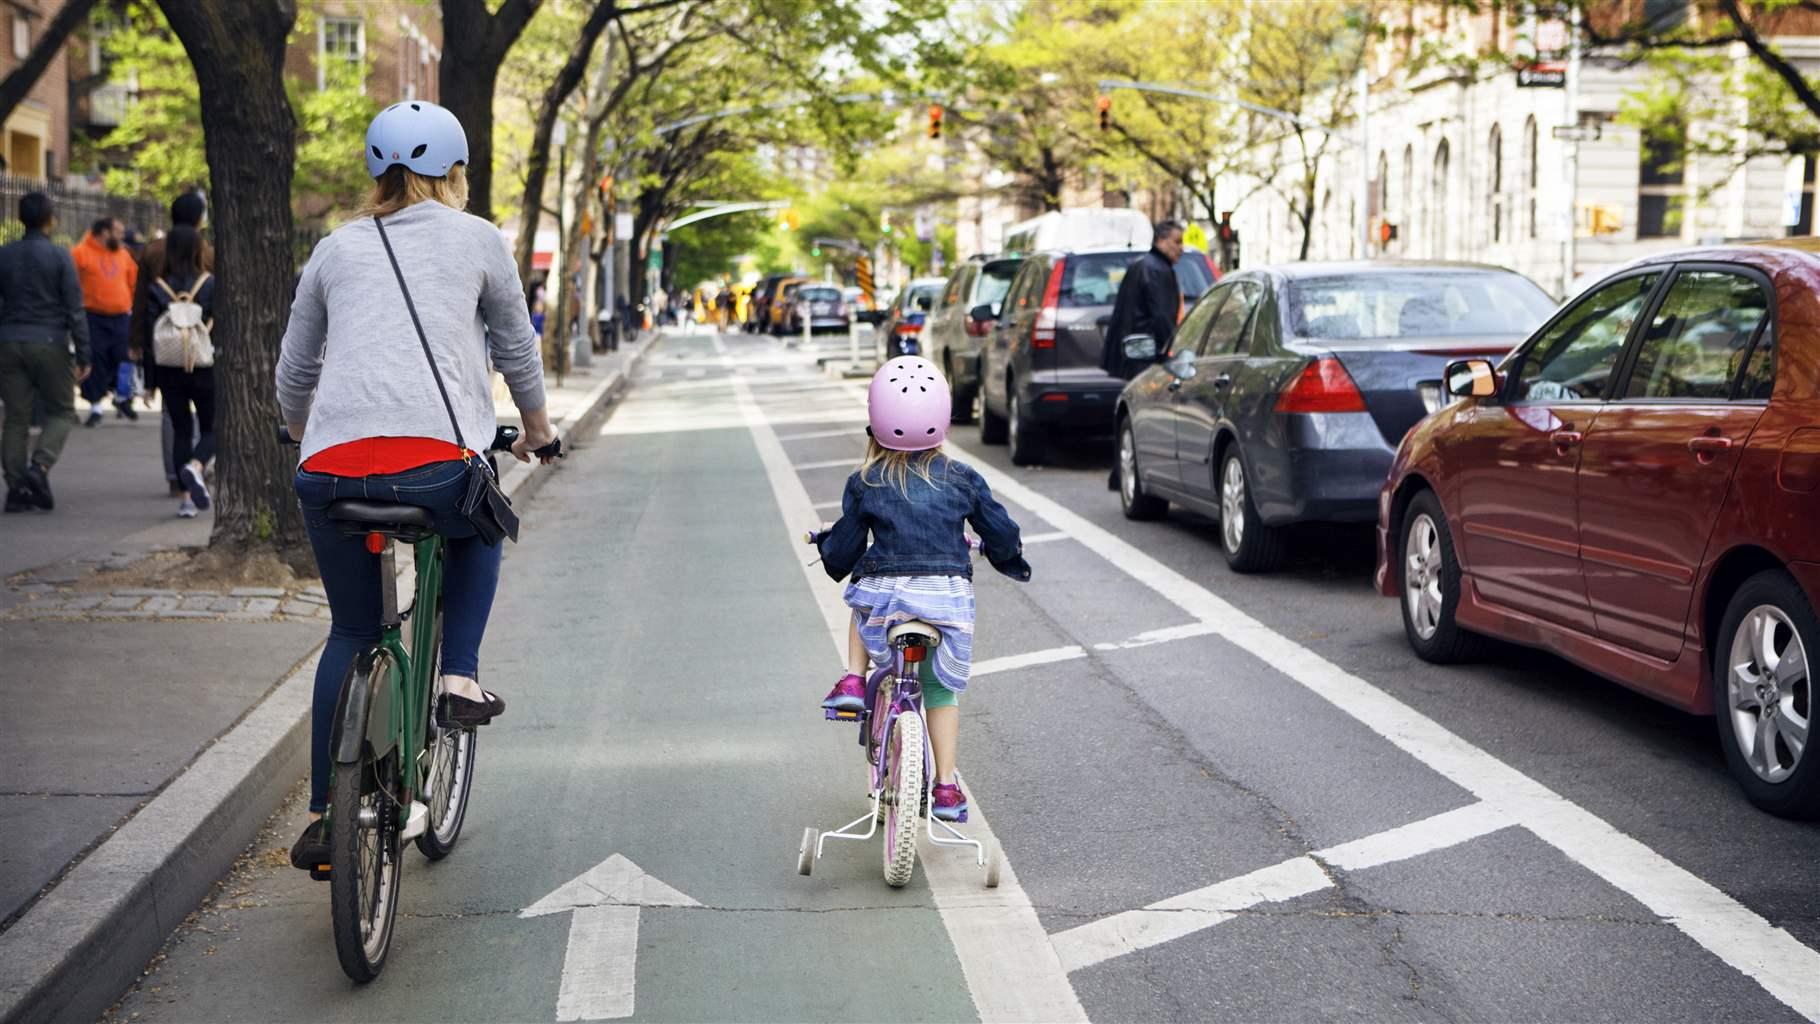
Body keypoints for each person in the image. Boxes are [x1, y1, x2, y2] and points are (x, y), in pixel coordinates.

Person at [275, 100, 557, 872]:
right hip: (438, 465)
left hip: (330, 472)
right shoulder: (478, 240)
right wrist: (536, 431)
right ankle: (458, 677)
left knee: (353, 632)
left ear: (377, 174)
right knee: (484, 523)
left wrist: (300, 434)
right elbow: (516, 349)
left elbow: (295, 369)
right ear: (455, 172)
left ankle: (327, 815)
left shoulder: (334, 249)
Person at [813, 357, 1031, 822]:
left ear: (877, 421)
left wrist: (828, 549)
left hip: (888, 599)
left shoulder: (866, 481)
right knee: (938, 693)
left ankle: (854, 679)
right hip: (944, 601)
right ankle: (947, 788)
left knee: (860, 602)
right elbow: (1002, 534)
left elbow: (845, 550)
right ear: (943, 418)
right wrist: (1007, 555)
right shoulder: (963, 479)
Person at [0, 192, 90, 512]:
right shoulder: (59, 256)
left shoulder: (4, 254)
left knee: (15, 418)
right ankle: (39, 468)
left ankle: (16, 486)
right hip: (50, 340)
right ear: (50, 219)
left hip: (9, 341)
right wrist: (84, 353)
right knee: (62, 410)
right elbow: (74, 308)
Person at [132, 192, 214, 497]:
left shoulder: (153, 255)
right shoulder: (209, 259)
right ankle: (199, 466)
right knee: (210, 423)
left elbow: (142, 305)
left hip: (166, 354)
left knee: (175, 421)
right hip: (201, 355)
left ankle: (178, 483)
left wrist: (138, 346)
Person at [1101, 219, 1184, 488]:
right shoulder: (1157, 269)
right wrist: (1170, 349)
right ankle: (1135, 476)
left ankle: (1123, 473)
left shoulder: (1142, 266)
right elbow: (1161, 315)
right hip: (1147, 356)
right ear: (1161, 240)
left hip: (1135, 352)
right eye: (1177, 241)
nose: (1181, 248)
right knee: (1148, 418)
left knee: (1133, 415)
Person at [72, 216, 139, 425]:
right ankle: (95, 406)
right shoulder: (80, 253)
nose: (122, 235)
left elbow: (133, 282)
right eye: (117, 231)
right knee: (96, 359)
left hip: (121, 316)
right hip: (92, 316)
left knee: (126, 357)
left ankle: (123, 396)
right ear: (104, 233)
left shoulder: (123, 254)